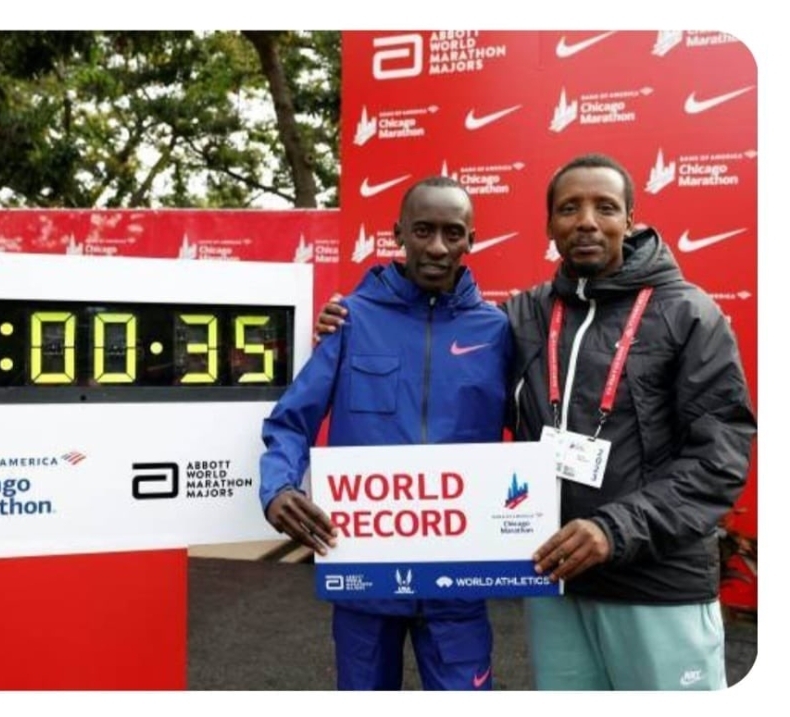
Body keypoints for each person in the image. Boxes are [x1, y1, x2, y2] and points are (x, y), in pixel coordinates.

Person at [314, 153, 757, 690]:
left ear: (631, 220)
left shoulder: (689, 314)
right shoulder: (524, 315)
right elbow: (441, 362)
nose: (587, 221)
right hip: (555, 582)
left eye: (605, 207)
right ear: (550, 226)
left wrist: (613, 530)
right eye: (570, 208)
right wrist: (353, 322)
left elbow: (720, 457)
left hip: (655, 584)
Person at [259, 176, 513, 690]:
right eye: (423, 230)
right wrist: (278, 489)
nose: (438, 247)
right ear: (398, 233)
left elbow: (539, 426)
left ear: (472, 240)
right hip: (365, 574)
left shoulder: (498, 330)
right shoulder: (350, 320)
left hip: (457, 578)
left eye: (453, 232)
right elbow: (291, 420)